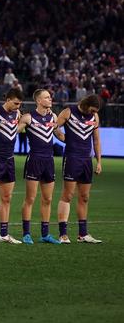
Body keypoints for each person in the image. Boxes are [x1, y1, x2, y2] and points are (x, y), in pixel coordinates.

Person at [55, 94, 103, 243]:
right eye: (92, 109)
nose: (93, 113)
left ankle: (83, 234)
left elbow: (96, 140)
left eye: (95, 111)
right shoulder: (68, 112)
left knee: (84, 197)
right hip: (71, 158)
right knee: (67, 196)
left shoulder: (94, 117)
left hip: (86, 160)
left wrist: (99, 161)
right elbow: (54, 126)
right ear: (86, 104)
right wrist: (62, 138)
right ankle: (63, 234)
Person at [18, 89, 63, 245]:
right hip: (34, 160)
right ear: (38, 100)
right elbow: (12, 132)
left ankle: (45, 234)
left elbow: (59, 135)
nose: (50, 99)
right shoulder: (28, 117)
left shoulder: (53, 117)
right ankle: (26, 234)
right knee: (30, 198)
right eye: (47, 97)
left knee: (48, 199)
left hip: (49, 161)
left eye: (50, 97)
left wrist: (75, 141)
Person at [0, 88, 24, 244]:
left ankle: (3, 234)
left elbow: (17, 127)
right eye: (15, 103)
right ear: (7, 99)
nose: (17, 106)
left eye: (20, 104)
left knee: (7, 198)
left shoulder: (17, 114)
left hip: (9, 159)